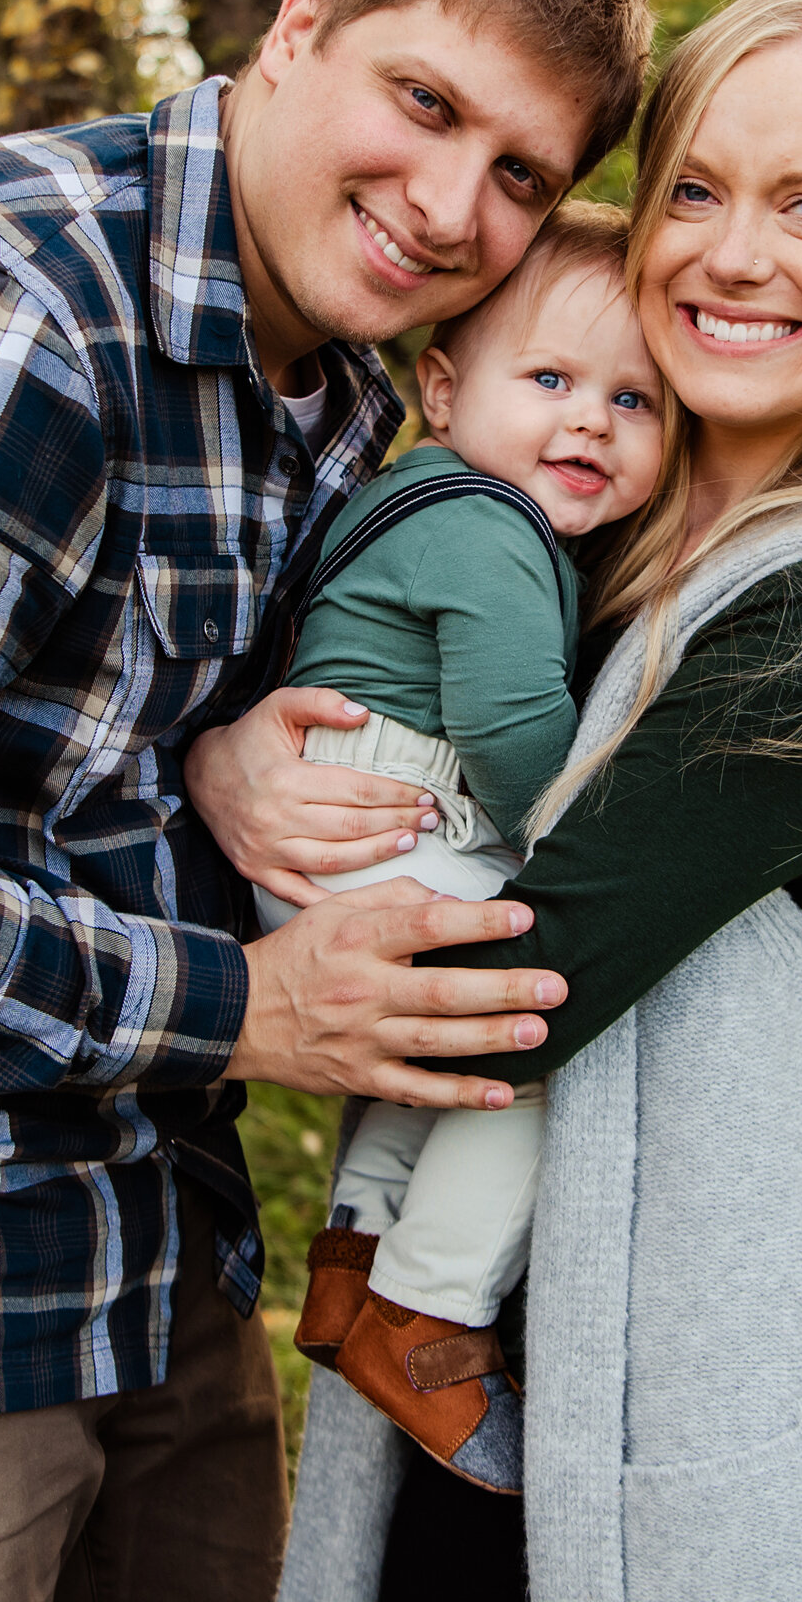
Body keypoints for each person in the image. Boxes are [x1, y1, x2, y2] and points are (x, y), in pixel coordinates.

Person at [195, 0, 802, 1602]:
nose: (734, 253)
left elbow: (517, 981)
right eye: (695, 189)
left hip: (688, 1477)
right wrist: (234, 756)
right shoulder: (588, 548)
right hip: (478, 1415)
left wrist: (223, 990)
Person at [0, 0, 653, 1602]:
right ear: (300, 27)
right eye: (423, 103)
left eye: (520, 173)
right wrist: (249, 1007)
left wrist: (212, 752)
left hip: (161, 1254)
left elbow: (96, 723)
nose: (448, 205)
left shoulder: (348, 397)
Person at [258, 204, 662, 1493]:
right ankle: (429, 1308)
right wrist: (606, 862)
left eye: (637, 401)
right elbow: (511, 732)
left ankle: (357, 1262)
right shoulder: (489, 526)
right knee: (549, 1032)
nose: (590, 420)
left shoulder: (419, 503)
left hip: (350, 838)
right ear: (443, 387)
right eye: (550, 379)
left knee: (425, 1075)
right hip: (398, 829)